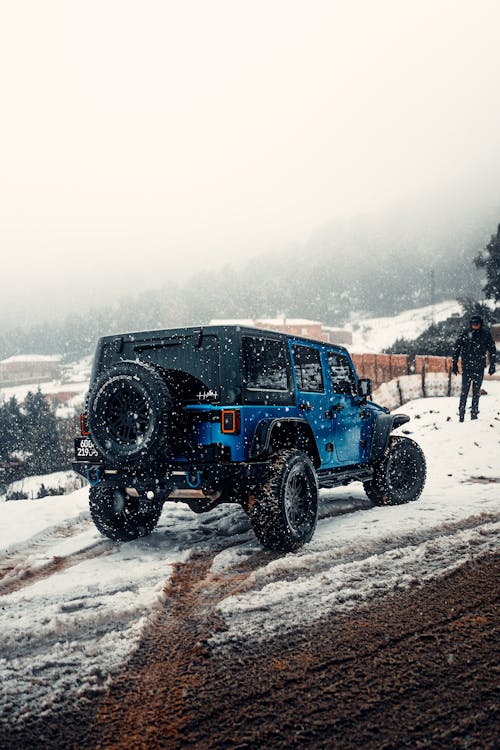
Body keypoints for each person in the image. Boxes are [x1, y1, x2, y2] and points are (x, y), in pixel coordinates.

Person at [452, 314, 497, 421]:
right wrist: (454, 364)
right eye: (473, 323)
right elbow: (456, 349)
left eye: (477, 323)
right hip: (467, 368)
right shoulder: (465, 333)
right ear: (470, 323)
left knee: (476, 392)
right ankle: (461, 414)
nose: (475, 325)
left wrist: (492, 365)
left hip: (479, 367)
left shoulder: (485, 334)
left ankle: (474, 414)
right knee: (464, 392)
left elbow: (492, 350)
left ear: (480, 324)